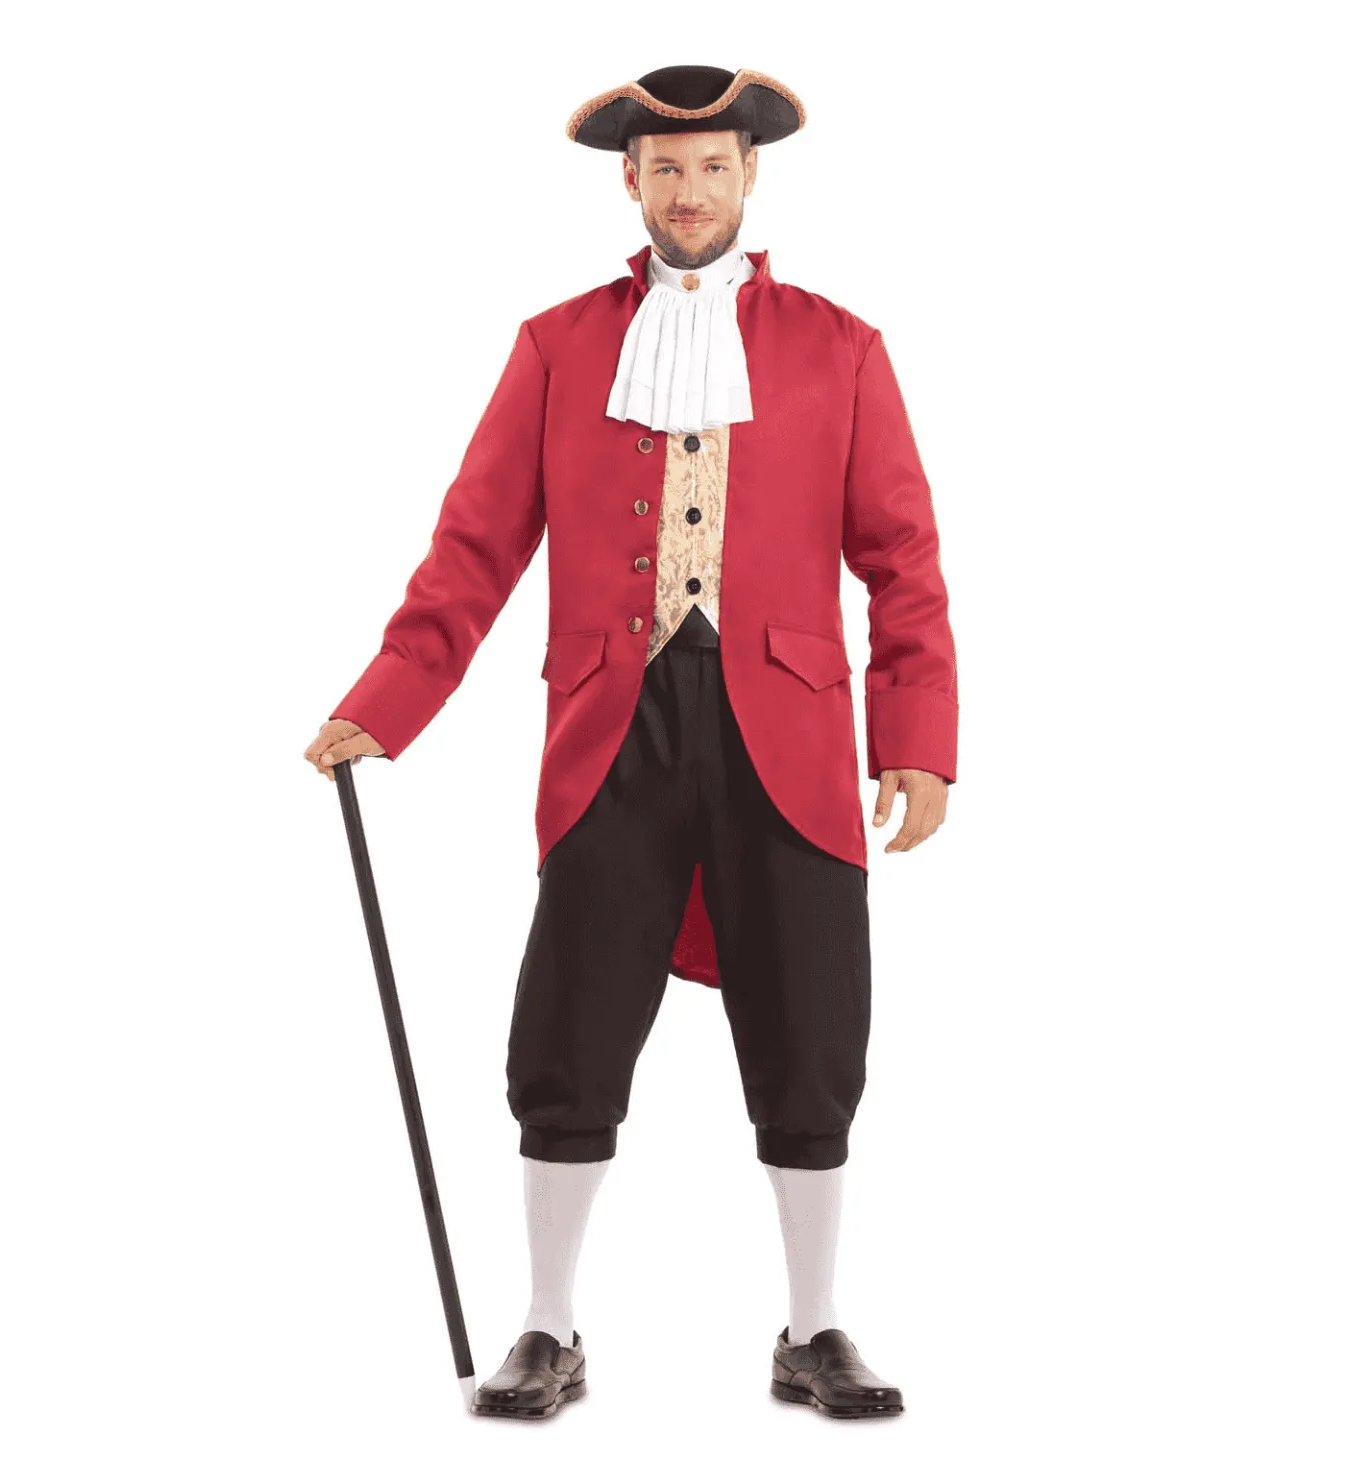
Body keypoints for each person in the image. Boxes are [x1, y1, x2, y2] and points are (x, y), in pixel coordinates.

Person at [303, 64, 958, 1421]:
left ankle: (816, 1329)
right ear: (631, 181)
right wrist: (389, 699)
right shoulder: (556, 345)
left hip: (790, 732)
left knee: (813, 1026)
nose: (691, 191)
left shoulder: (842, 346)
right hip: (612, 731)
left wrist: (917, 737)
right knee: (572, 1022)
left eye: (714, 167)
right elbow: (475, 545)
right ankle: (547, 1328)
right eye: (667, 169)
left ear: (751, 175)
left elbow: (903, 556)